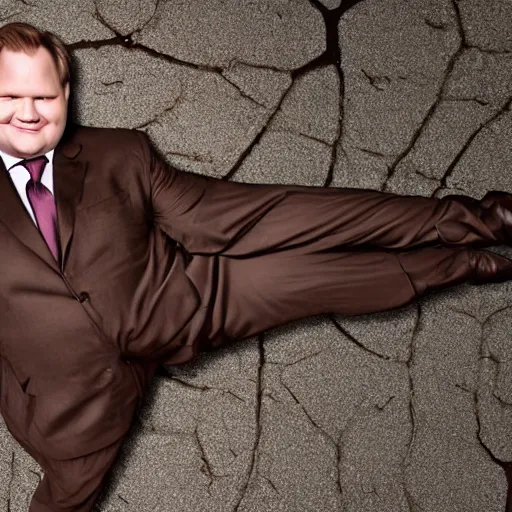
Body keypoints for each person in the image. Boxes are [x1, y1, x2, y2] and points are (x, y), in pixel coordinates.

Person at [0, 21, 511, 511]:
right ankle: (463, 259)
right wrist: (26, 395)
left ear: (66, 93)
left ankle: (473, 238)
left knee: (312, 270)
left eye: (43, 96)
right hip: (73, 414)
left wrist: (467, 218)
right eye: (9, 97)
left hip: (189, 300)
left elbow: (229, 217)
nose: (29, 113)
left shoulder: (119, 154)